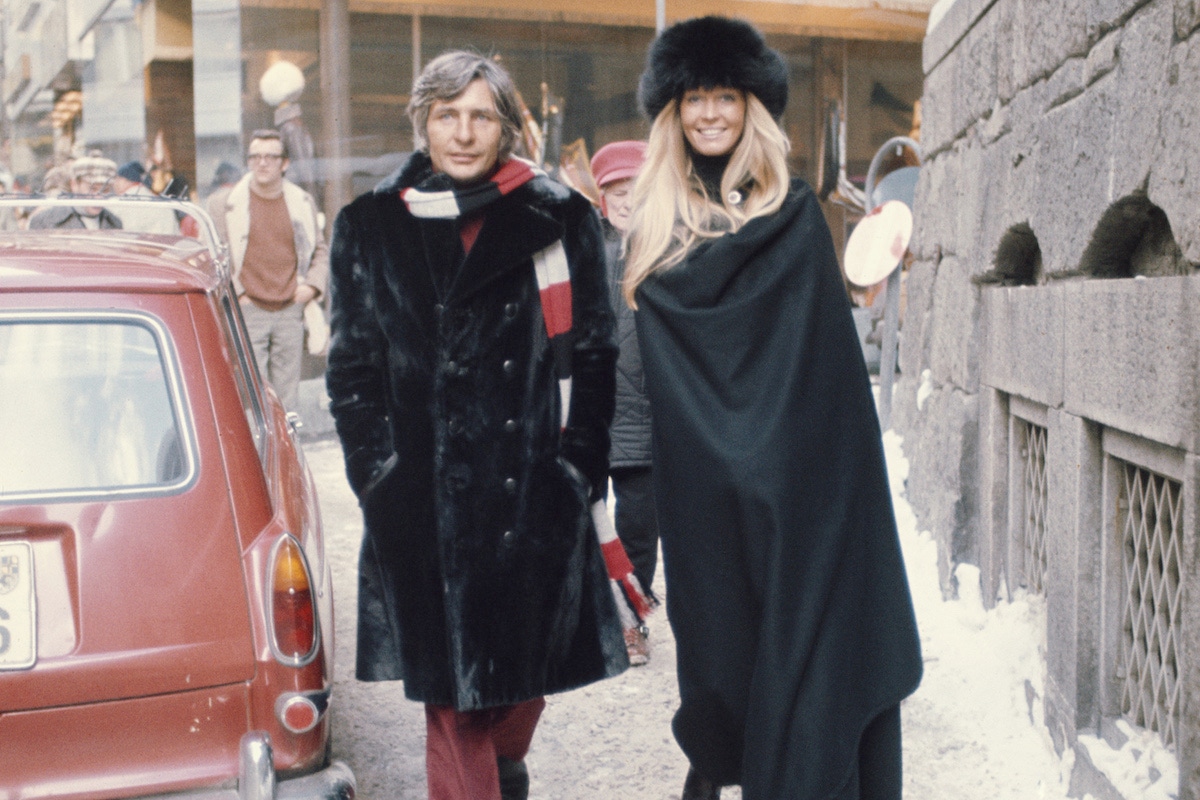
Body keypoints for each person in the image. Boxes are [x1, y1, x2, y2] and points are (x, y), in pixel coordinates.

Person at [623, 16, 923, 800]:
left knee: (811, 669)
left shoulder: (792, 221)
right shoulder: (657, 233)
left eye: (727, 96)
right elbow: (659, 377)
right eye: (694, 99)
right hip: (707, 505)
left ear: (751, 109)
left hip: (805, 497)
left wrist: (810, 488)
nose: (711, 113)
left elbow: (827, 384)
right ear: (674, 114)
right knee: (726, 664)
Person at [324, 51, 626, 800]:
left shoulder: (561, 216)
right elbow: (351, 368)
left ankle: (506, 768)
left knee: (520, 689)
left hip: (534, 499)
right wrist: (379, 474)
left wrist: (577, 467)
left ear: (506, 125)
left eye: (480, 115)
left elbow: (594, 354)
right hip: (422, 505)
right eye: (447, 115)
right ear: (422, 123)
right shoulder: (369, 225)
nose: (463, 132)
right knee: (455, 709)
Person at [589, 139, 658, 666]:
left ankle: (631, 622)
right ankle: (596, 620)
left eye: (634, 188)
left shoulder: (668, 250)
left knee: (637, 528)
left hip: (644, 420)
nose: (624, 199)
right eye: (614, 191)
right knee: (588, 524)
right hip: (590, 416)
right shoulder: (583, 250)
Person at [208, 129, 327, 410]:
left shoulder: (301, 202)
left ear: (284, 163)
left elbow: (320, 249)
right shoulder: (223, 204)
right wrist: (238, 294)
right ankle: (257, 455)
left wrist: (310, 287)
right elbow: (213, 254)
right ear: (248, 161)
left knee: (288, 398)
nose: (262, 163)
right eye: (255, 157)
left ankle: (287, 452)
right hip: (248, 309)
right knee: (251, 396)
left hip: (290, 308)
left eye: (270, 157)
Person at [29, 154, 122, 230]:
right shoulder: (44, 221)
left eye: (105, 190)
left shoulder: (115, 223)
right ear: (74, 185)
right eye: (92, 189)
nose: (99, 197)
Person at [112, 160, 181, 235]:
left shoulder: (115, 203)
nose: (114, 183)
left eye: (117, 179)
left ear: (123, 180)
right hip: (164, 244)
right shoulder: (163, 204)